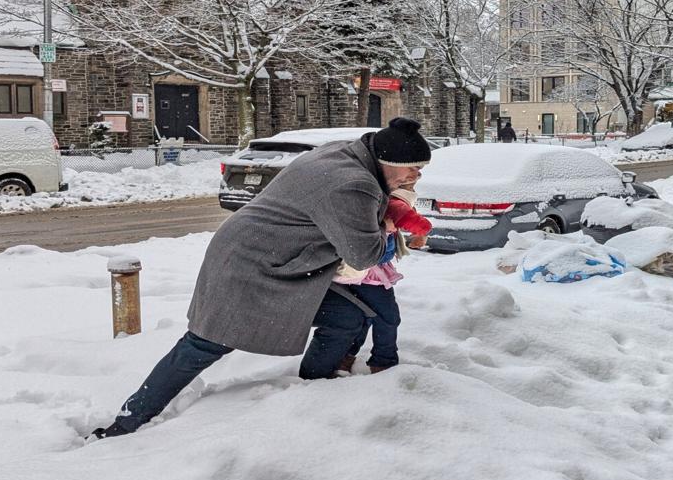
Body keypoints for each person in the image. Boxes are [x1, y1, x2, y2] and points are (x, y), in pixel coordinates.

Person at [89, 117, 434, 440]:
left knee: (346, 317)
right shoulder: (352, 183)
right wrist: (388, 225)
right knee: (203, 345)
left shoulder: (351, 153)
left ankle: (313, 391)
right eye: (412, 168)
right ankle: (127, 423)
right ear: (386, 158)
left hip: (277, 259)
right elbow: (364, 255)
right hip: (248, 265)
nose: (415, 177)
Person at [333, 187, 434, 375]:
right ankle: (383, 363)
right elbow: (419, 225)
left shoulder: (378, 196)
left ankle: (343, 357)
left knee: (363, 316)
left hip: (355, 272)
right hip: (368, 275)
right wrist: (420, 230)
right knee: (388, 318)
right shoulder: (396, 202)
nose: (415, 180)